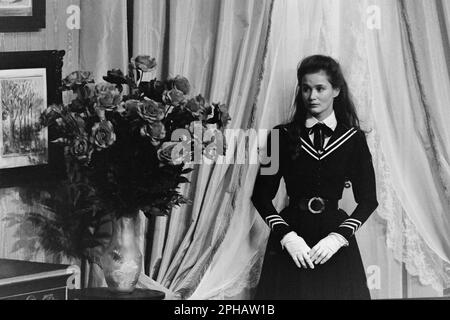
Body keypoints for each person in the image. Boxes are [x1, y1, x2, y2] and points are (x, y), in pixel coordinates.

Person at [251, 55, 378, 300]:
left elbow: (369, 200)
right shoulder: (279, 136)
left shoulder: (354, 139)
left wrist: (339, 237)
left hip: (332, 239)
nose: (312, 96)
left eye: (320, 88)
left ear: (336, 90)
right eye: (306, 89)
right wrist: (287, 237)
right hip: (292, 237)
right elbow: (260, 195)